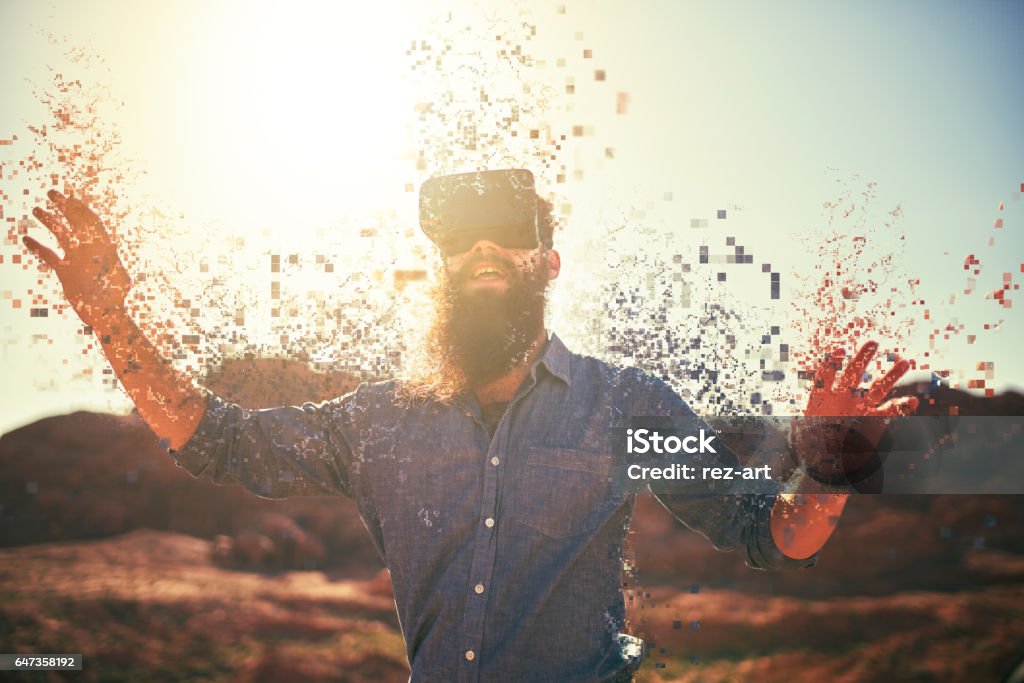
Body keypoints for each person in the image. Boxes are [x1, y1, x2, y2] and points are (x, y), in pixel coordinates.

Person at [25, 169, 918, 682]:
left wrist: (830, 469)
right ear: (441, 267)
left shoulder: (620, 405)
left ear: (549, 259)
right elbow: (213, 436)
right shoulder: (379, 422)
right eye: (460, 236)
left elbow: (767, 532)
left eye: (506, 228)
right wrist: (111, 319)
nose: (482, 247)